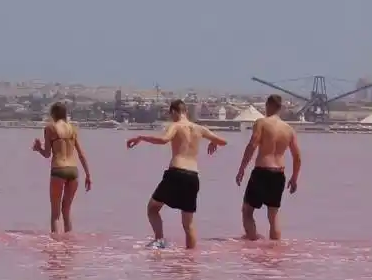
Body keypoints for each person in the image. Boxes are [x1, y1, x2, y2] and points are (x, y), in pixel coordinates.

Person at [126, 99, 227, 249]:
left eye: (170, 114)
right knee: (188, 224)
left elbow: (163, 139)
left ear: (174, 111)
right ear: (186, 111)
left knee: (152, 208)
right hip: (193, 176)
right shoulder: (200, 129)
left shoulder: (176, 125)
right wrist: (213, 142)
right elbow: (223, 141)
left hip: (176, 173)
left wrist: (141, 137)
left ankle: (160, 241)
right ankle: (190, 261)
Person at [235, 94, 301, 240]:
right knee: (273, 215)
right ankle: (275, 253)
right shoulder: (289, 129)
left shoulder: (262, 123)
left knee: (247, 211)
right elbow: (297, 157)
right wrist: (294, 178)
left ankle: (253, 244)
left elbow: (252, 145)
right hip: (279, 174)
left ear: (269, 105)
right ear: (280, 108)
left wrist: (241, 169)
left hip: (262, 172)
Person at [32, 101, 93, 233]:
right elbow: (81, 153)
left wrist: (38, 149)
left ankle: (55, 248)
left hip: (58, 169)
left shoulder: (50, 128)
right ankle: (68, 246)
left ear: (53, 114)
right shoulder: (72, 129)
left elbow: (47, 154)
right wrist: (88, 175)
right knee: (66, 211)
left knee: (55, 214)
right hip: (73, 171)